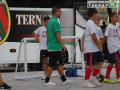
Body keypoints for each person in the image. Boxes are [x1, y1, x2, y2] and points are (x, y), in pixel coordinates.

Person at [44, 6, 73, 86]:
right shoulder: (55, 22)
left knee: (59, 64)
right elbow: (57, 34)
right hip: (54, 47)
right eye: (60, 12)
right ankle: (47, 81)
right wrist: (63, 45)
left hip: (52, 46)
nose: (61, 13)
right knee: (52, 65)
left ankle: (64, 79)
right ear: (56, 12)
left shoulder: (49, 21)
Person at [82, 8, 104, 88]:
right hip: (91, 48)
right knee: (90, 65)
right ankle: (85, 81)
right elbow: (94, 37)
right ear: (94, 14)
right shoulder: (90, 23)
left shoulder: (92, 24)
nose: (97, 16)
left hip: (95, 48)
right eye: (97, 14)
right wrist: (100, 46)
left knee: (101, 61)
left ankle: (93, 78)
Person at [101, 12, 120, 84]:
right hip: (113, 47)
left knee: (111, 63)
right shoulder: (109, 27)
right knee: (118, 62)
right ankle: (118, 78)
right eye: (116, 17)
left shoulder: (117, 27)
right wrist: (101, 46)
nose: (117, 18)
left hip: (116, 47)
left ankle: (106, 77)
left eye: (117, 17)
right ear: (111, 18)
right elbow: (105, 36)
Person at [32, 16, 50, 80]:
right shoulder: (40, 28)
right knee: (44, 61)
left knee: (54, 61)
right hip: (43, 47)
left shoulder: (51, 28)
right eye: (47, 21)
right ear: (44, 22)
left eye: (49, 21)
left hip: (50, 47)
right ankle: (45, 74)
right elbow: (33, 32)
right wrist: (36, 37)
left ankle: (59, 74)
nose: (48, 22)